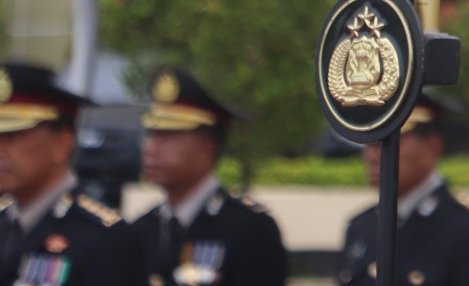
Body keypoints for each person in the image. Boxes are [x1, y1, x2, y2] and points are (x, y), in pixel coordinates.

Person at [132, 67, 287, 286]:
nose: (150, 148)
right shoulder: (141, 230)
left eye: (167, 135)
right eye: (151, 134)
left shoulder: (248, 229)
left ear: (207, 148)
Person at [336, 91, 469, 286]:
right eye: (369, 143)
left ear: (432, 147)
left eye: (388, 143)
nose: (372, 156)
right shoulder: (361, 226)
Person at [0, 61, 143, 286]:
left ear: (62, 144)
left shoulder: (105, 239)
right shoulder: (4, 221)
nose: (1, 150)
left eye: (13, 136)